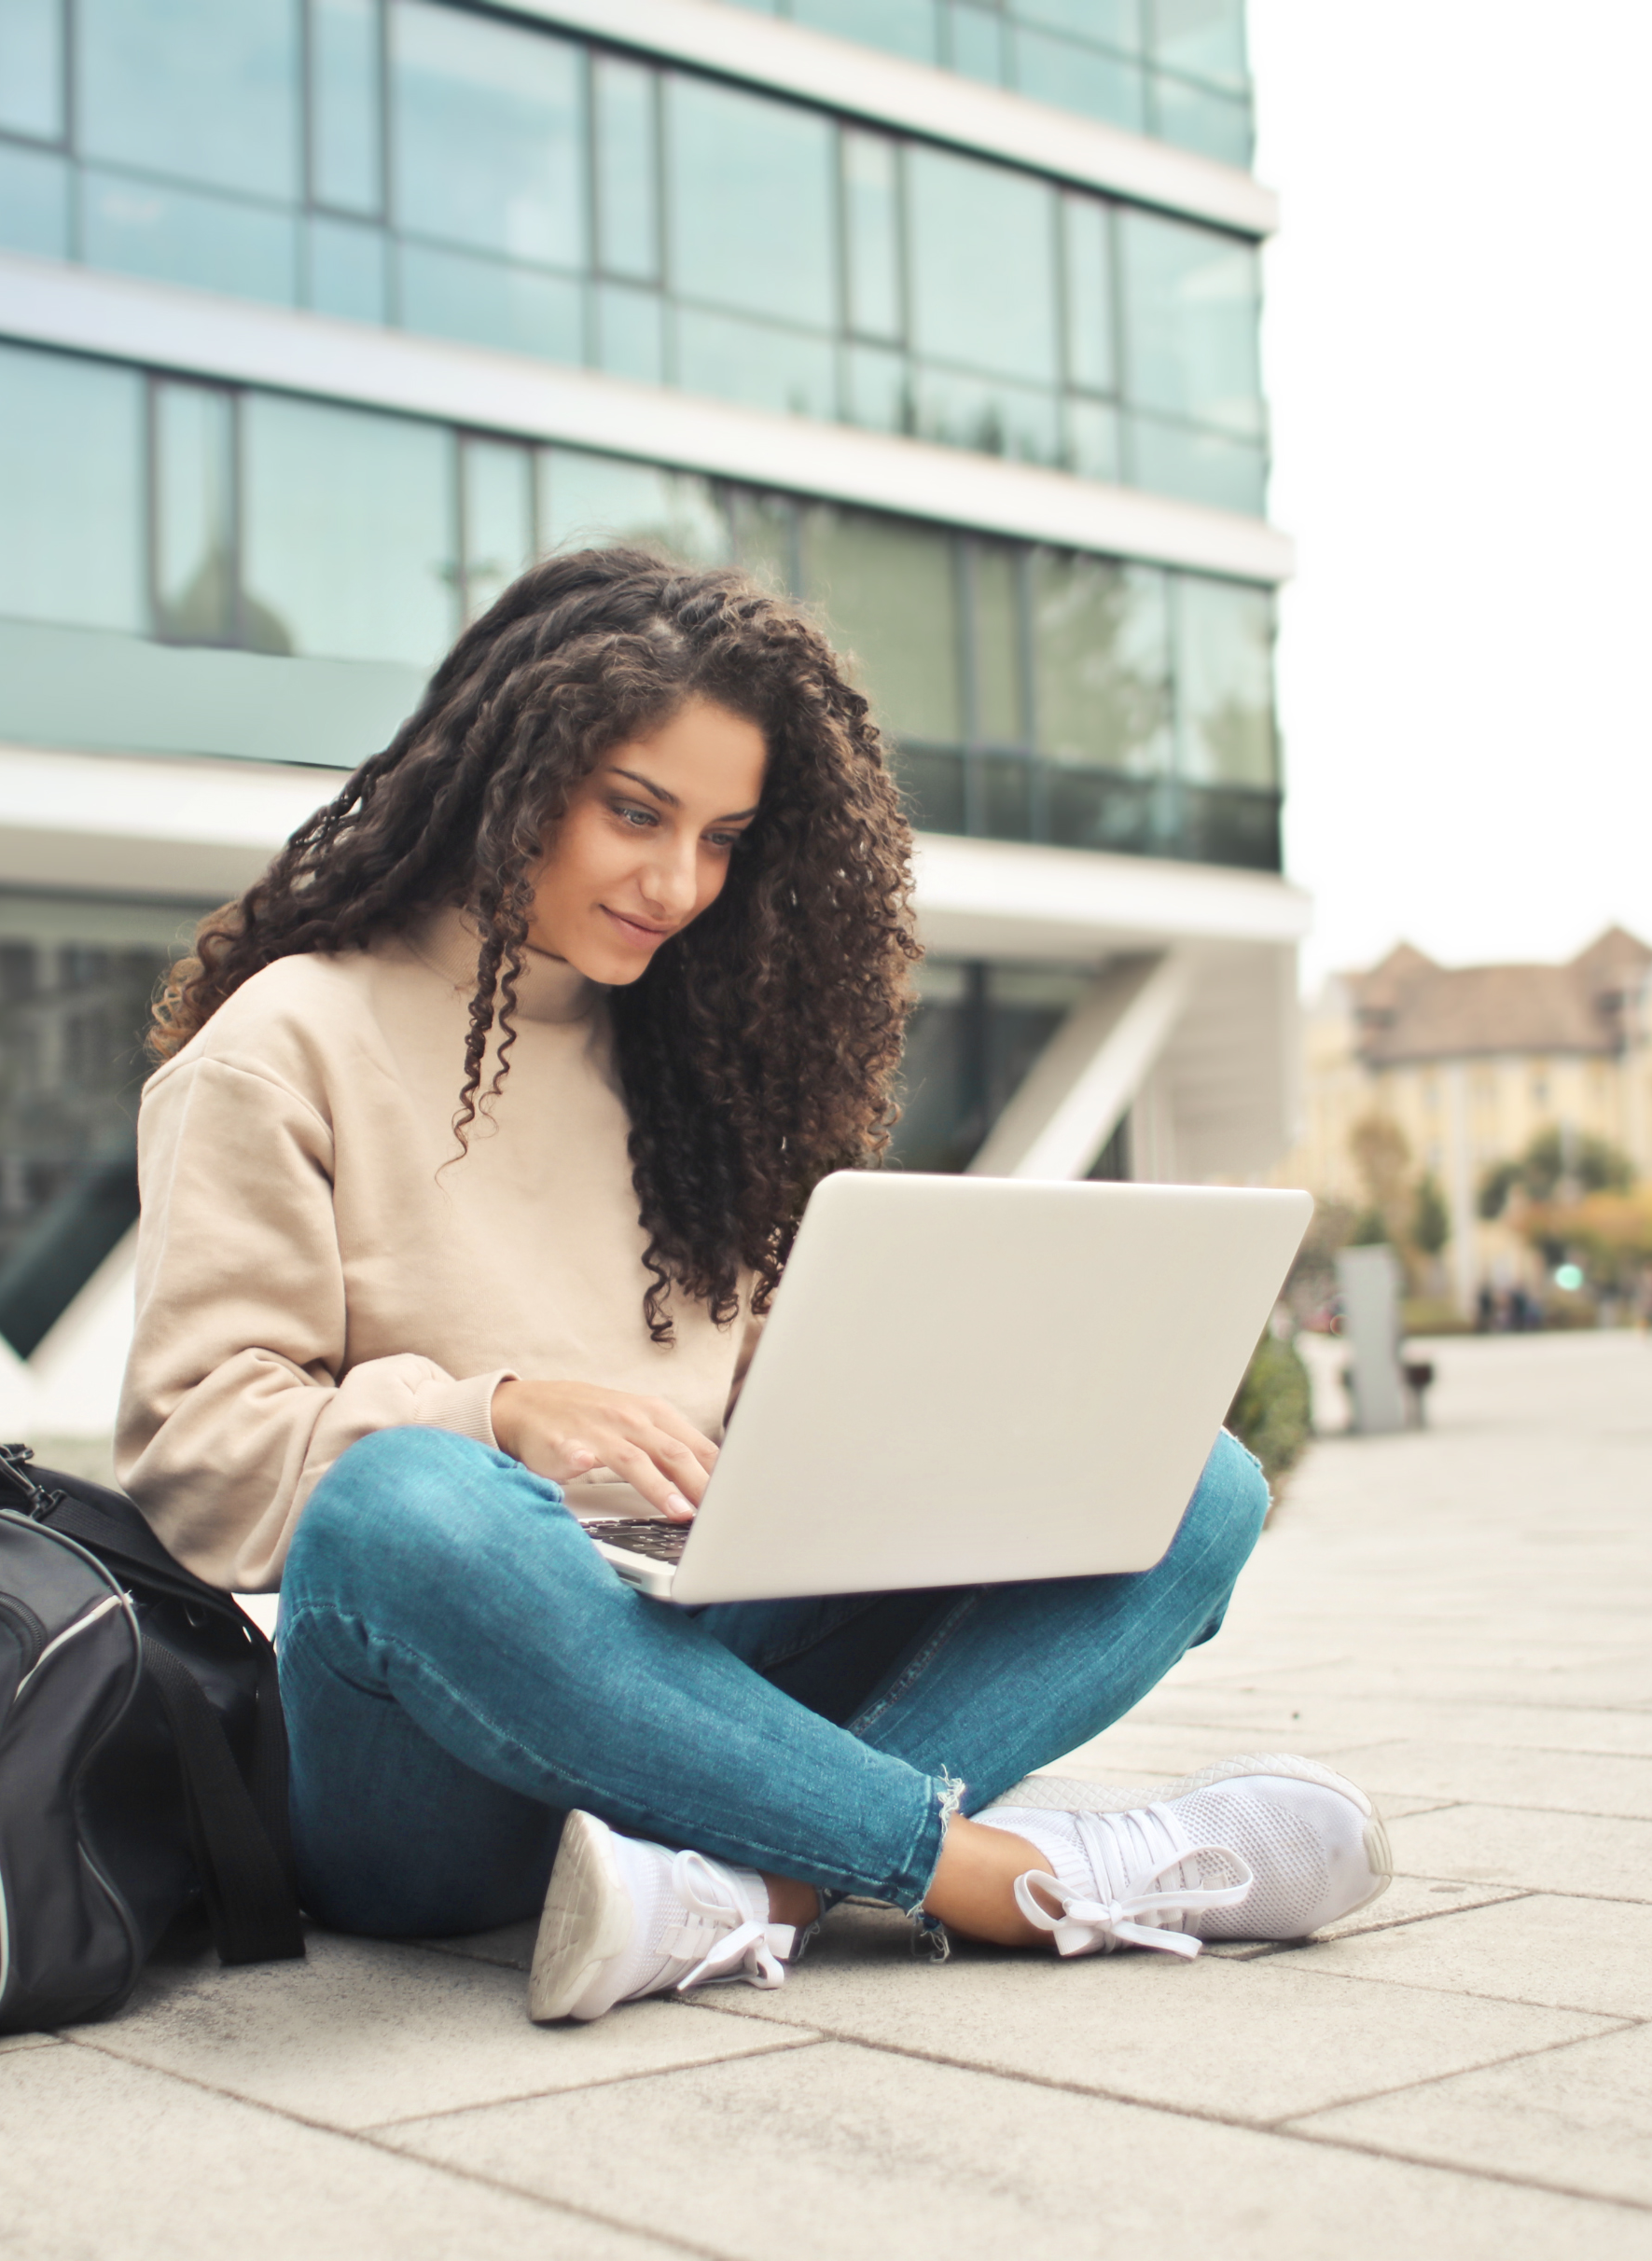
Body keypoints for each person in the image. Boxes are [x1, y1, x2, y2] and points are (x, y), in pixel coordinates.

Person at [118, 548, 1389, 2025]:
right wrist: (499, 1413)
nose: (678, 885)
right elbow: (190, 1467)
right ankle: (992, 1877)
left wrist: (898, 1415)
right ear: (505, 772)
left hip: (693, 1654)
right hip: (434, 1752)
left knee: (1200, 1487)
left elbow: (752, 1414)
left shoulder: (693, 1067)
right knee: (411, 1507)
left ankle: (734, 1895)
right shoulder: (284, 1045)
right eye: (635, 814)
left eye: (723, 838)